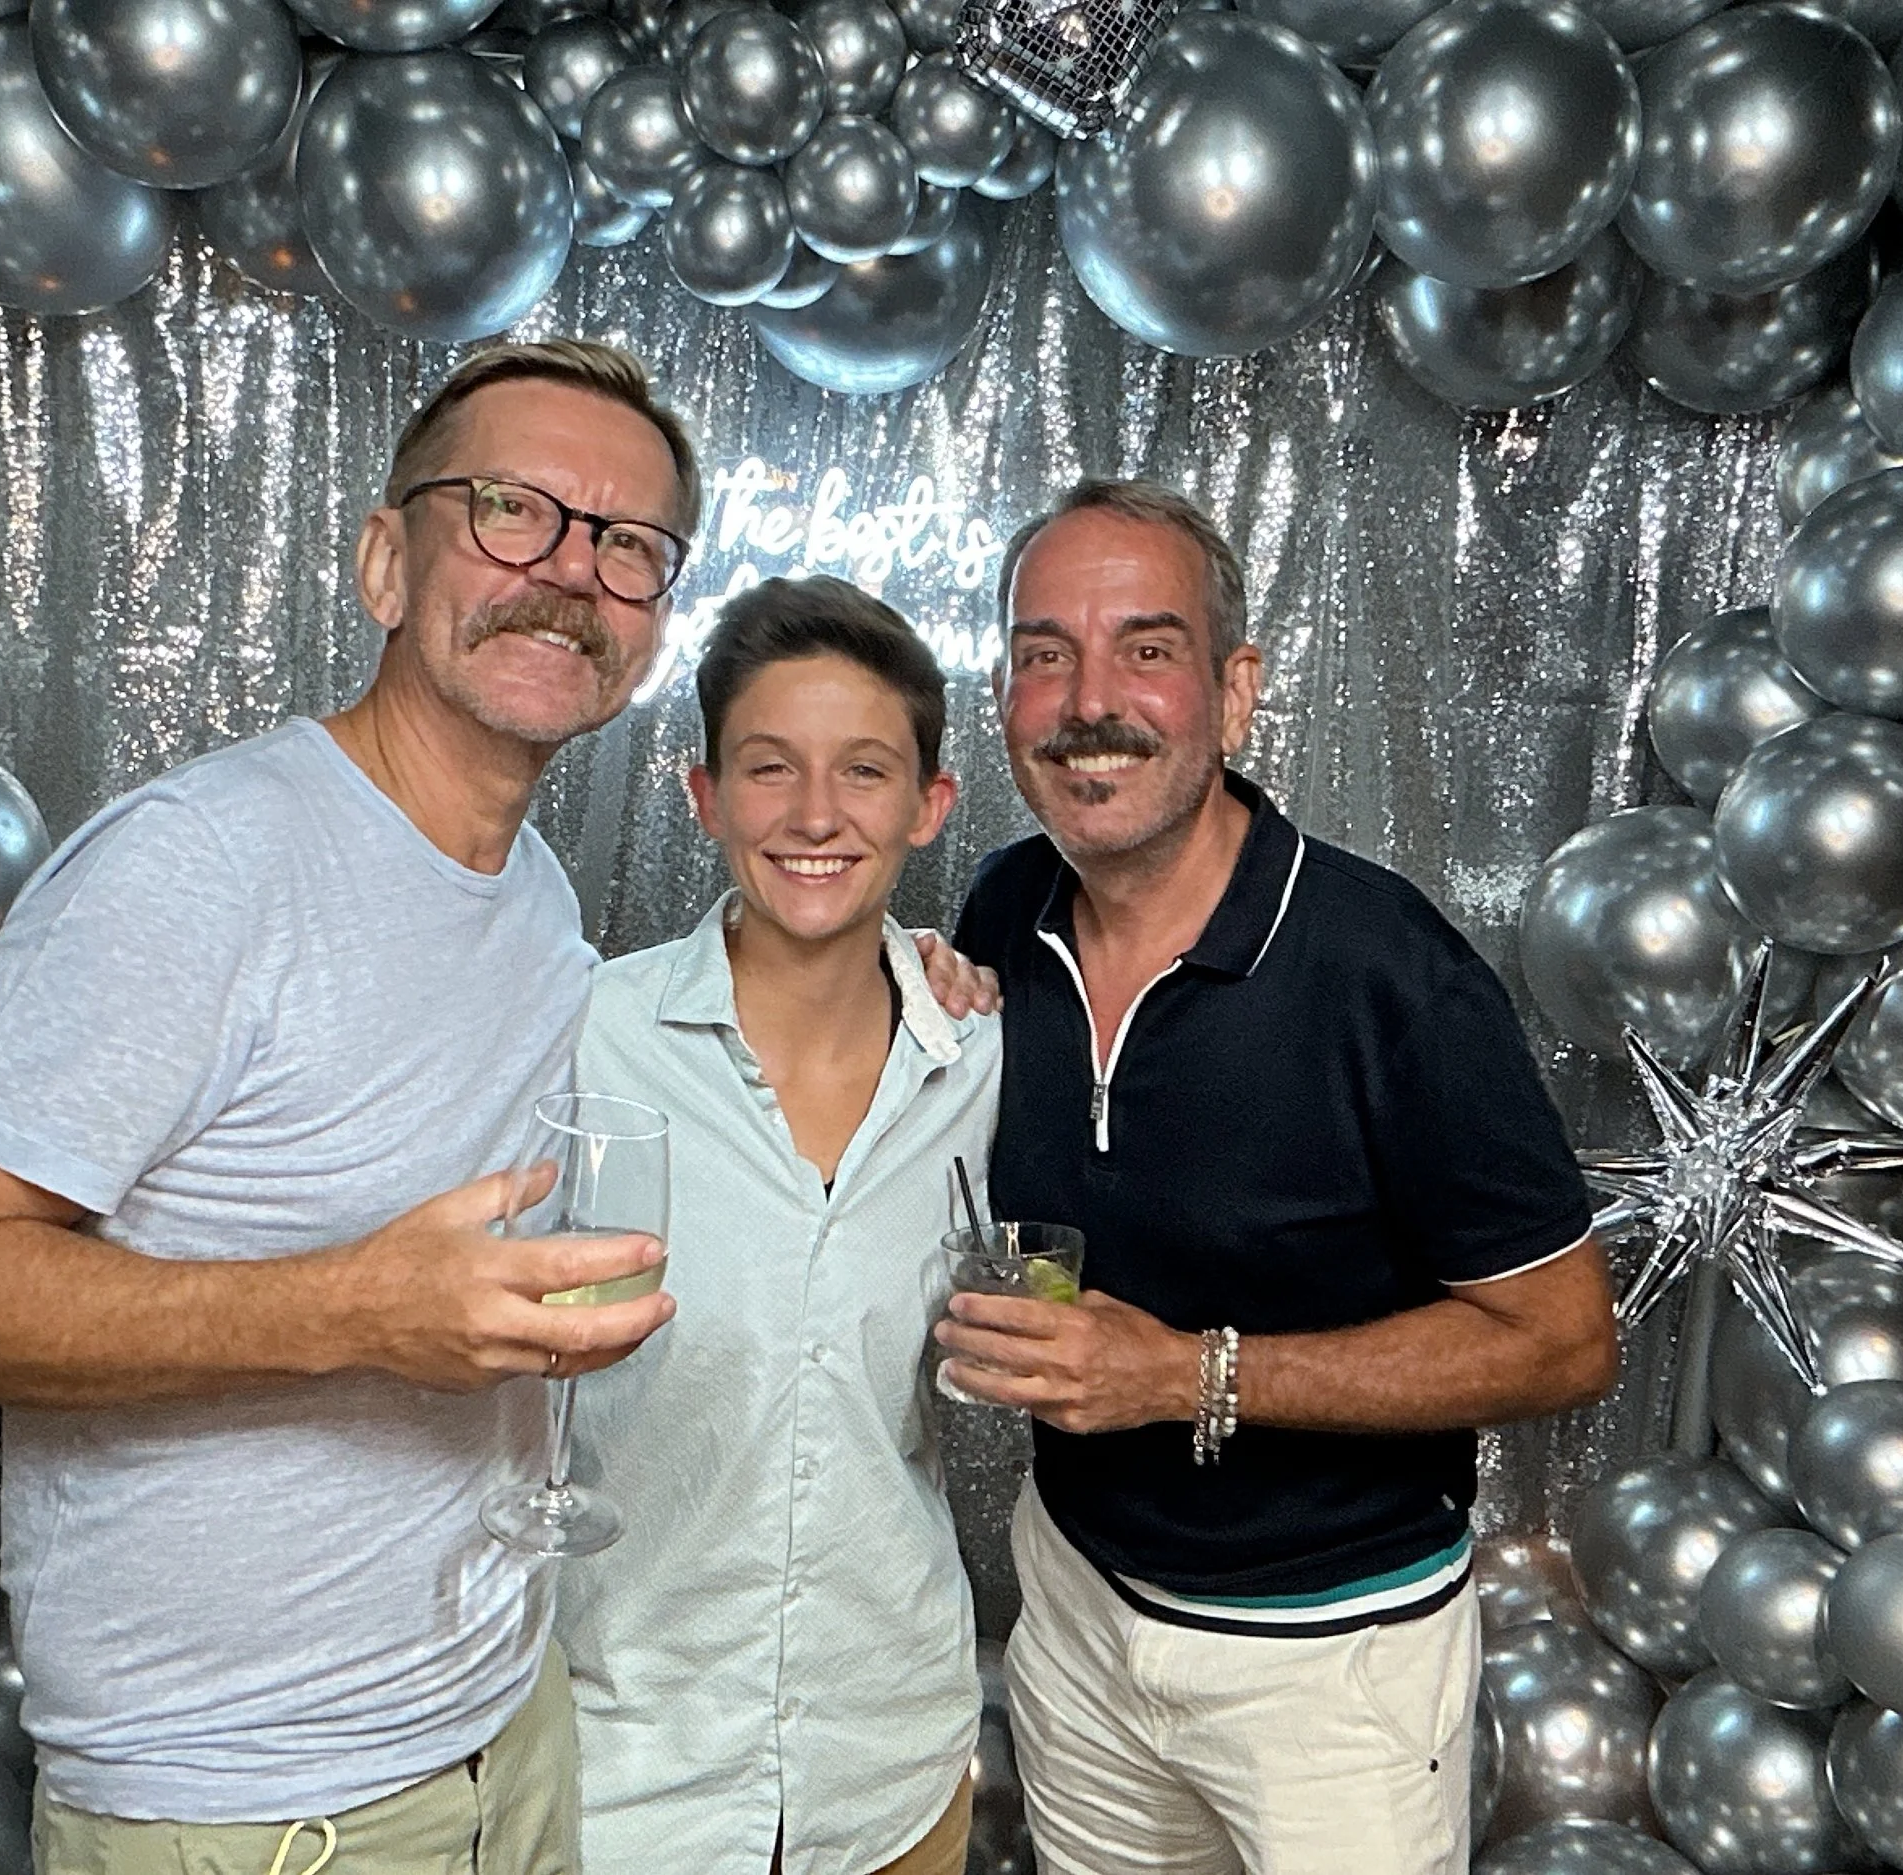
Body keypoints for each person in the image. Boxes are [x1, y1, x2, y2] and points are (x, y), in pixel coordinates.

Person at [0, 341, 708, 1875]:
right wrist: (356, 1308)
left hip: (506, 1730)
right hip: (250, 1802)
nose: (567, 572)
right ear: (384, 560)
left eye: (625, 545)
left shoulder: (539, 899)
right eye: (510, 508)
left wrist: (922, 969)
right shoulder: (201, 861)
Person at [937, 480, 1620, 1875]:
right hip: (1074, 1604)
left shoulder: (1391, 974)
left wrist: (1191, 1374)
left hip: (1331, 1667)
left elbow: (1564, 1340)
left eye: (1147, 646)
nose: (1088, 699)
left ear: (1235, 688)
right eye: (1042, 651)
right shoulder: (1007, 908)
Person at [560, 576, 996, 1875]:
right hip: (634, 1771)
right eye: (770, 768)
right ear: (702, 796)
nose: (816, 814)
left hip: (893, 1768)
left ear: (930, 804)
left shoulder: (984, 1060)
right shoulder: (588, 1037)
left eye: (864, 770)